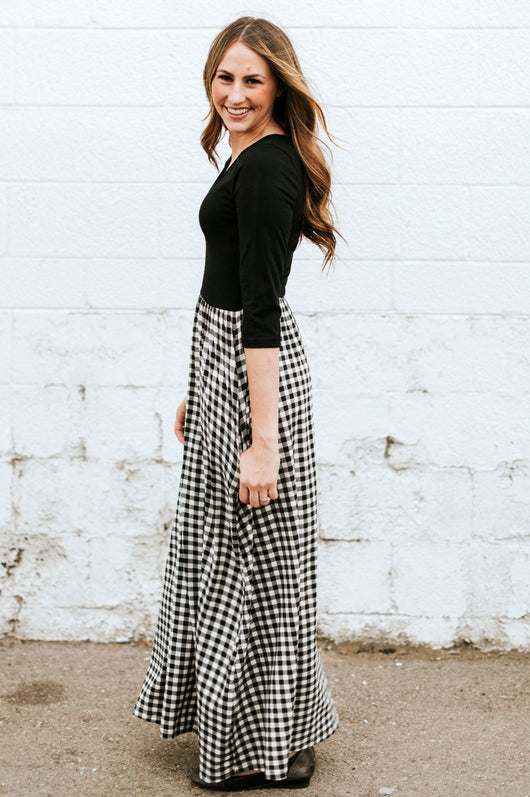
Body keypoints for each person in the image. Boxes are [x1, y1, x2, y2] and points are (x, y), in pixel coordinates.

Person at [134, 16, 340, 791]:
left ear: (280, 85)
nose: (236, 94)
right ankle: (255, 736)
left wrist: (262, 441)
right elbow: (226, 288)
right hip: (226, 376)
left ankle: (257, 750)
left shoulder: (267, 170)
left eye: (253, 80)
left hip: (254, 381)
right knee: (233, 558)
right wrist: (199, 386)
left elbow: (260, 309)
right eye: (225, 77)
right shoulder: (248, 158)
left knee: (255, 564)